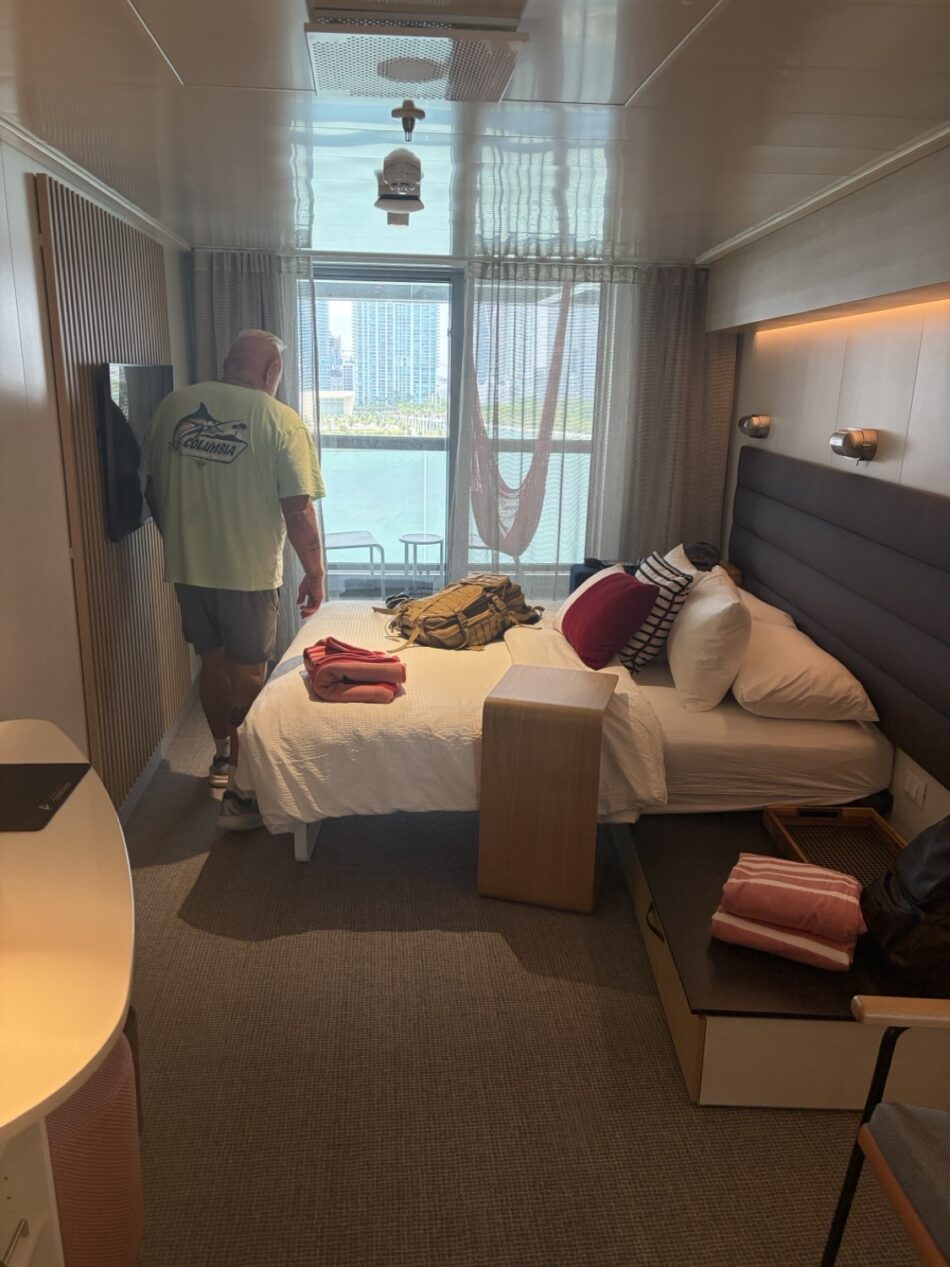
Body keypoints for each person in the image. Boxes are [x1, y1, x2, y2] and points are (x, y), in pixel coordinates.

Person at [141, 329, 326, 831]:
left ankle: (222, 758)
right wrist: (315, 573)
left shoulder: (171, 407)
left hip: (189, 569)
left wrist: (179, 541)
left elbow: (153, 490)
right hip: (247, 572)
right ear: (271, 372)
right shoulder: (280, 420)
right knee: (248, 675)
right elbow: (299, 509)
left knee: (213, 664)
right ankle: (242, 796)